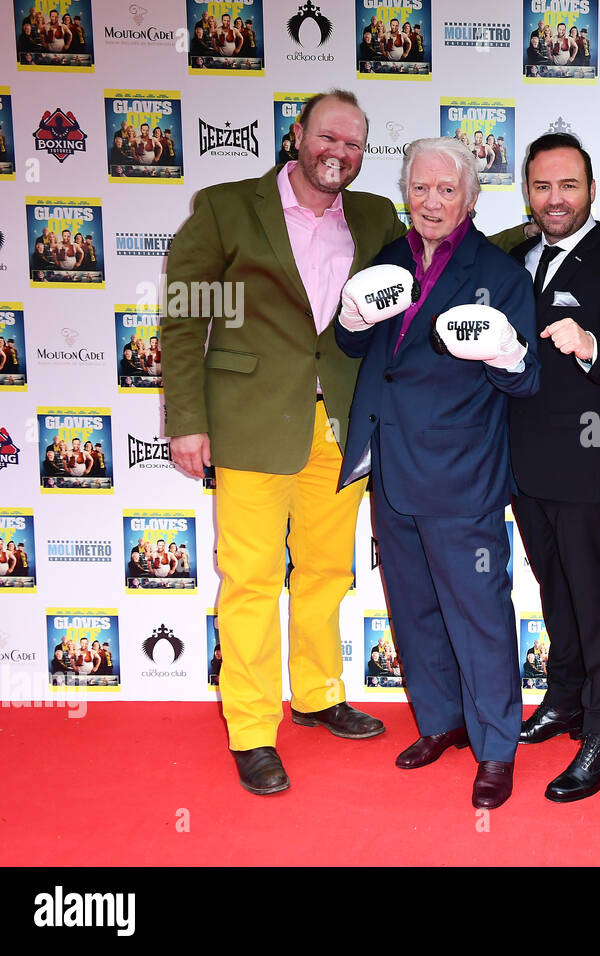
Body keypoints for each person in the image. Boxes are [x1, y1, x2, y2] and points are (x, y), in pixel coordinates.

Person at [162, 90, 403, 796]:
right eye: (329, 137)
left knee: (327, 573)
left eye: (355, 145)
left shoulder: (373, 215)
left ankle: (321, 693)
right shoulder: (226, 207)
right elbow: (183, 320)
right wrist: (186, 419)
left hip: (341, 424)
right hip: (252, 425)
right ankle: (251, 729)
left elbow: (438, 254)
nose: (341, 153)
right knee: (252, 580)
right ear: (297, 135)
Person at [335, 136, 539, 810]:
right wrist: (351, 316)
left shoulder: (501, 274)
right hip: (389, 461)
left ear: (471, 199)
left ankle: (496, 748)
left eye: (445, 190)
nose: (430, 201)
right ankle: (443, 721)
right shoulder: (390, 258)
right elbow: (356, 343)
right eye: (420, 188)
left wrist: (507, 352)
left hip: (460, 470)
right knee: (415, 607)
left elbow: (526, 377)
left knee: (477, 613)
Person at [504, 133, 600, 803]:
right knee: (554, 586)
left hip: (590, 451)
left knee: (592, 594)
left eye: (567, 185)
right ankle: (564, 697)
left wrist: (591, 346)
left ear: (591, 190)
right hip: (521, 455)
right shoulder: (513, 255)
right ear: (527, 191)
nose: (554, 198)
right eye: (542, 186)